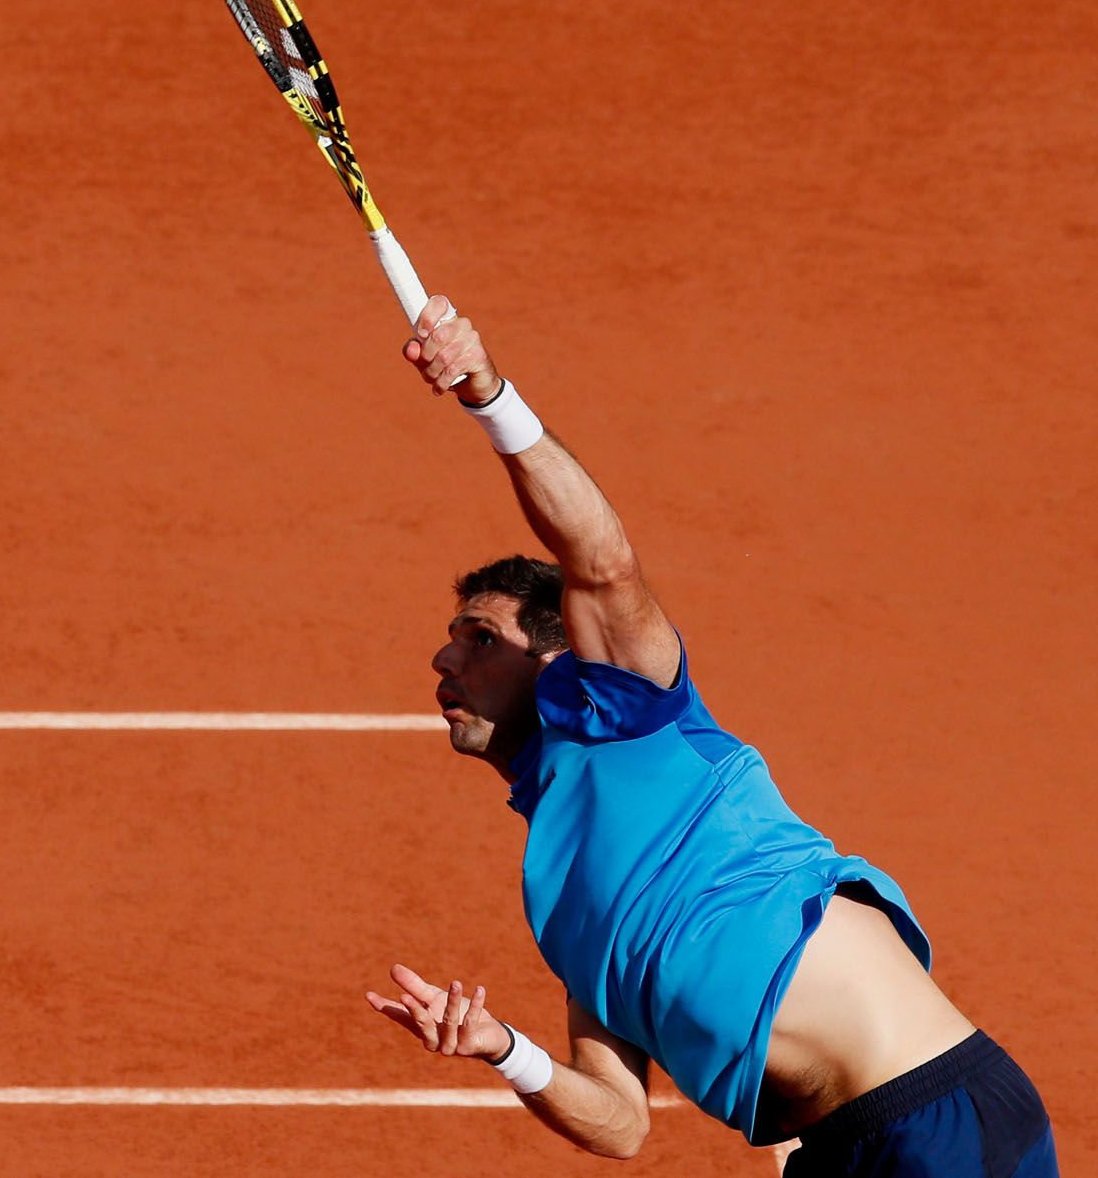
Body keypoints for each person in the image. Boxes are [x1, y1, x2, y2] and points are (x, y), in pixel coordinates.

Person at [363, 298, 1057, 1177]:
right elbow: (619, 1121)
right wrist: (505, 1047)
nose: (443, 654)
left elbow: (601, 559)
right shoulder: (563, 891)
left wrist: (487, 394)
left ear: (559, 656)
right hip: (841, 1151)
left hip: (931, 1115)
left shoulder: (630, 718)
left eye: (478, 635)